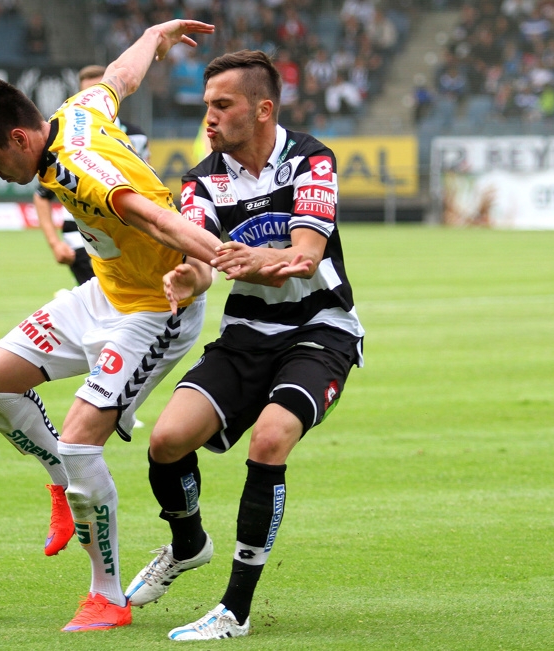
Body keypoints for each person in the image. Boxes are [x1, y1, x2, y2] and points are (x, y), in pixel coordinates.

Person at [0, 19, 229, 633]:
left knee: (80, 441)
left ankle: (107, 595)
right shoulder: (76, 111)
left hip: (156, 309)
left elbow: (158, 221)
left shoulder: (79, 169)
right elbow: (119, 78)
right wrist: (155, 36)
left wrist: (223, 258)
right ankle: (61, 486)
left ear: (20, 138)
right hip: (104, 291)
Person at [124, 50, 365, 640]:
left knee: (271, 437)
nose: (209, 117)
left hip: (321, 331)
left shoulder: (311, 159)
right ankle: (188, 545)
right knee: (166, 440)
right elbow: (204, 259)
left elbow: (306, 254)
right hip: (246, 335)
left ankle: (235, 609)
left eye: (222, 105)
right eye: (206, 105)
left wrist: (263, 260)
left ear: (262, 110)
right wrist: (188, 276)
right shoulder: (202, 179)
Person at [33, 64, 151, 287]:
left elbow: (146, 180)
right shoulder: (68, 139)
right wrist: (55, 244)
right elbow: (41, 196)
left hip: (127, 233)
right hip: (81, 235)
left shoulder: (136, 136)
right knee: (111, 305)